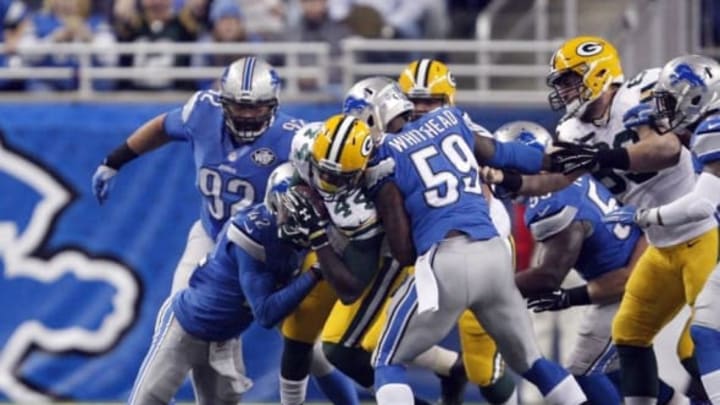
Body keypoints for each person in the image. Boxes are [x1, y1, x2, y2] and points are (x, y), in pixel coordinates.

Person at [485, 36, 718, 404]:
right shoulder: (571, 131)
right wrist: (511, 180)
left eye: (569, 79)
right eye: (560, 83)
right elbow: (560, 176)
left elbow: (666, 151)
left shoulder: (640, 93)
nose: (564, 90)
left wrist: (598, 157)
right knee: (629, 335)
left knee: (697, 342)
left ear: (599, 72)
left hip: (703, 226)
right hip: (660, 240)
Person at [92, 56, 309, 401]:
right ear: (224, 101)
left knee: (317, 348)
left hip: (255, 254)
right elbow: (163, 126)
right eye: (240, 105)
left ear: (274, 105)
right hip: (211, 236)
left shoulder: (294, 139)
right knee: (183, 315)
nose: (249, 114)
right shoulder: (202, 113)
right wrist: (115, 160)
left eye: (258, 107)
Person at [364, 83, 587, 404]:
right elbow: (503, 153)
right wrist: (552, 162)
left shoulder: (385, 156)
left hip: (447, 259)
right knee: (533, 362)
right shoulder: (449, 120)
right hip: (494, 253)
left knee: (386, 360)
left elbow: (404, 251)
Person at [292, 80, 462, 405]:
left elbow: (392, 236)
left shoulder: (389, 161)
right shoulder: (340, 146)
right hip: (399, 249)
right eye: (398, 120)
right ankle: (451, 368)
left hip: (397, 254)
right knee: (362, 343)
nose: (404, 128)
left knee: (345, 348)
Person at [496, 121, 687, 405]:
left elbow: (549, 276)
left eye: (509, 166)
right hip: (638, 269)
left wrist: (492, 289)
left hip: (630, 281)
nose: (502, 175)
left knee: (584, 371)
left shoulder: (551, 200)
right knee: (617, 373)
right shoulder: (569, 177)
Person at [128, 163, 328, 404]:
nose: (304, 216)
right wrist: (315, 274)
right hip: (185, 327)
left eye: (312, 207)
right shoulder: (253, 230)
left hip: (226, 340)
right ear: (276, 203)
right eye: (296, 207)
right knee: (146, 401)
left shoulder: (309, 234)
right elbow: (265, 313)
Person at [396, 58, 518, 404]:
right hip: (426, 249)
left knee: (483, 367)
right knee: (373, 341)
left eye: (429, 101)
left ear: (448, 101)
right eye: (414, 100)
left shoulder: (469, 133)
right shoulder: (395, 135)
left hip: (479, 247)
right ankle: (451, 368)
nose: (420, 109)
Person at [603, 55, 720, 403]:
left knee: (706, 333)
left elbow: (701, 204)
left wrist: (644, 217)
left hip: (699, 239)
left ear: (697, 96)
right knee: (702, 331)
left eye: (669, 98)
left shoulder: (712, 129)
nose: (662, 108)